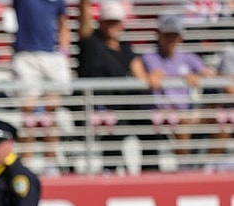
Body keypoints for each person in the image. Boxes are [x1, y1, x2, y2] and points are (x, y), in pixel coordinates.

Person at [75, 0, 148, 172]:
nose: (112, 26)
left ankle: (148, 170)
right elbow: (84, 11)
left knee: (146, 124)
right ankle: (108, 171)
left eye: (115, 22)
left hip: (120, 109)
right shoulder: (90, 41)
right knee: (111, 126)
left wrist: (155, 76)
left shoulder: (125, 49)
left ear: (122, 24)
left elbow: (142, 76)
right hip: (92, 107)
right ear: (100, 22)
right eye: (108, 21)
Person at [141, 14, 215, 167]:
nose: (171, 39)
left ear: (180, 37)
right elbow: (153, 79)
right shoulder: (149, 56)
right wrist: (184, 77)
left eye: (174, 35)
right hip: (162, 112)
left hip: (186, 112)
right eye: (167, 35)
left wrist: (197, 77)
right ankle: (184, 171)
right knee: (182, 126)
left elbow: (209, 74)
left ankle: (209, 167)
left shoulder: (188, 57)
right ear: (159, 36)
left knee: (221, 122)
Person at [10, 0, 72, 173]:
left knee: (50, 115)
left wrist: (63, 53)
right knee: (28, 115)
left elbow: (63, 23)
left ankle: (50, 164)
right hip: (26, 56)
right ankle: (26, 164)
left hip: (52, 57)